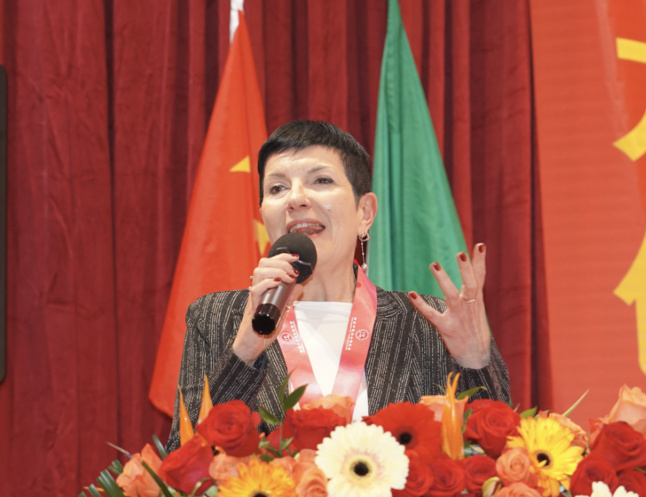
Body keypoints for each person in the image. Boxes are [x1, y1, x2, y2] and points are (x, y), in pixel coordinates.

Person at [165, 120, 509, 451]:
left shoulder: (429, 322)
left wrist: (475, 361)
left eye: (321, 180)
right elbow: (186, 465)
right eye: (277, 188)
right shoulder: (215, 318)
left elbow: (494, 459)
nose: (295, 199)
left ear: (365, 213)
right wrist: (245, 350)